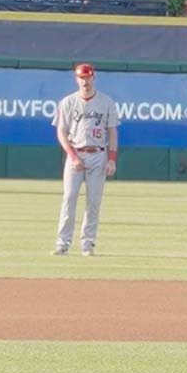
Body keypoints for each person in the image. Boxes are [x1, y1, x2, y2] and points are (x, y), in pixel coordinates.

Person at [52, 64, 120, 257]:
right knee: (69, 198)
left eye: (88, 77)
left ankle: (87, 243)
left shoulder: (106, 102)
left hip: (98, 154)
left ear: (93, 77)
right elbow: (61, 132)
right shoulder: (67, 102)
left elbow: (112, 131)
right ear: (76, 79)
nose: (85, 81)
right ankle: (62, 242)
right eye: (81, 77)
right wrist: (72, 156)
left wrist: (112, 159)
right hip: (76, 152)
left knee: (93, 202)